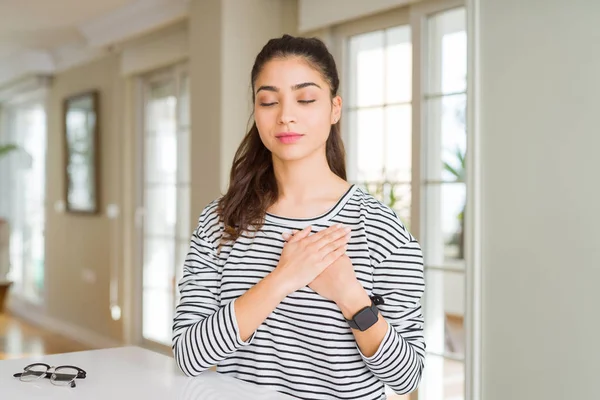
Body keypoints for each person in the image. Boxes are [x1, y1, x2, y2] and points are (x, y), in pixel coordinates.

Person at [172, 34, 425, 400]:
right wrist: (283, 279)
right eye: (269, 101)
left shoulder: (380, 228)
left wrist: (351, 297)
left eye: (305, 99)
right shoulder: (221, 221)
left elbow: (406, 376)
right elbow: (188, 355)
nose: (285, 115)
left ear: (334, 108)